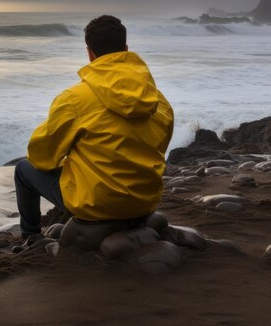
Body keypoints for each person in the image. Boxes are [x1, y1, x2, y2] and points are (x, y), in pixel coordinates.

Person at [15, 15, 174, 238]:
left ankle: (30, 237)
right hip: (145, 203)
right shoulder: (158, 100)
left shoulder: (74, 99)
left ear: (89, 53)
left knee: (23, 170)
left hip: (95, 206)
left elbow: (42, 157)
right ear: (126, 49)